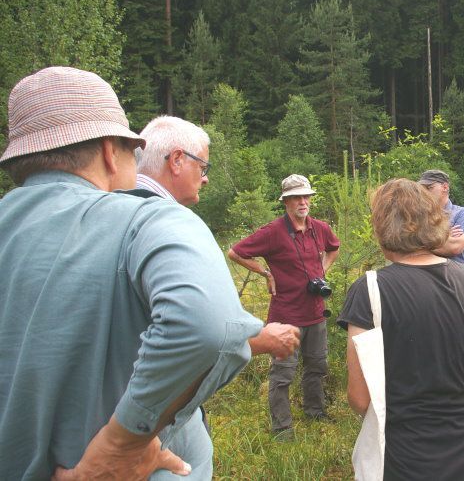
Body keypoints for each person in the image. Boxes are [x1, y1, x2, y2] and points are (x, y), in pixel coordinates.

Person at [0, 66, 300, 480]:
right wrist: (120, 446)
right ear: (110, 151)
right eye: (130, 151)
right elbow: (209, 326)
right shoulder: (149, 220)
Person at [338, 178, 464, 480]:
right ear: (433, 220)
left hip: (404, 454)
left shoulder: (370, 289)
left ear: (381, 226)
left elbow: (359, 397)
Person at [228, 174, 340, 440]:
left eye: (306, 197)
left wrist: (322, 271)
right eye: (296, 198)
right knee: (282, 374)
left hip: (315, 313)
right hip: (285, 316)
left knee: (317, 366)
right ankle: (282, 428)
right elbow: (235, 252)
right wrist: (266, 273)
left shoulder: (320, 228)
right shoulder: (272, 232)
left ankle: (315, 412)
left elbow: (333, 248)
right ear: (286, 202)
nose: (303, 202)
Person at [135, 115, 211, 206]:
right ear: (176, 161)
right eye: (202, 168)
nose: (205, 180)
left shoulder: (115, 203)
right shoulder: (172, 218)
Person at [419, 169, 464, 264]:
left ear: (445, 187)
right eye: (422, 189)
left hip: (455, 276)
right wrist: (443, 237)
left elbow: (454, 247)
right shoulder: (419, 215)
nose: (424, 193)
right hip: (426, 274)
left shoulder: (463, 214)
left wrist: (419, 242)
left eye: (429, 188)